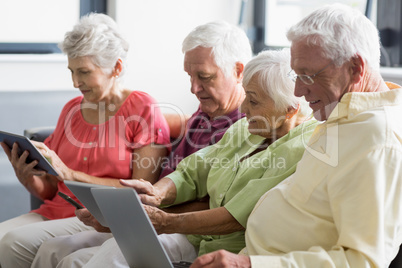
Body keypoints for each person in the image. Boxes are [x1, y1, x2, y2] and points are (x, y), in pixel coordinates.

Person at [43, 48, 319, 268]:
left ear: (291, 108)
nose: (244, 107)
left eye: (254, 101)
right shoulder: (246, 129)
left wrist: (164, 221)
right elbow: (193, 170)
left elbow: (235, 217)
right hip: (194, 235)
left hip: (231, 249)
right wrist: (156, 192)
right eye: (246, 97)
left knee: (109, 255)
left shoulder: (302, 147)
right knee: (81, 257)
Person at [191, 4, 402, 268]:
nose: (298, 91)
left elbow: (362, 261)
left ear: (355, 68)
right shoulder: (343, 115)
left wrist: (246, 264)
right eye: (296, 75)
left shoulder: (376, 140)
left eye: (307, 76)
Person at [29, 20, 252, 267]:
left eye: (205, 77)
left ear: (239, 71)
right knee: (57, 251)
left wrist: (143, 215)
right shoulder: (202, 114)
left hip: (185, 229)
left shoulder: (249, 128)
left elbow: (218, 204)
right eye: (190, 76)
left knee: (74, 261)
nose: (193, 88)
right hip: (151, 216)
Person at [0, 13, 171, 267]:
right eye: (71, 71)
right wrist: (26, 175)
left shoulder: (143, 108)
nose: (75, 82)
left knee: (11, 242)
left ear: (117, 68)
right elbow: (48, 189)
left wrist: (71, 173)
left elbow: (141, 190)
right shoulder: (71, 109)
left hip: (100, 218)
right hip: (54, 212)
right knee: (4, 238)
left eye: (84, 72)